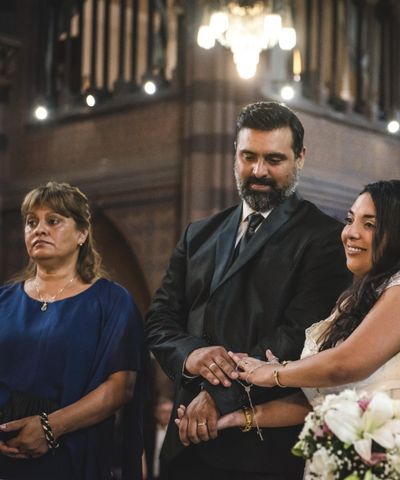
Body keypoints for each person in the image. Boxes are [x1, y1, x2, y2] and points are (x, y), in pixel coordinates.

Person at [144, 101, 350, 479]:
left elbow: (297, 335)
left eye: (274, 159)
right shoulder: (199, 234)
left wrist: (218, 396)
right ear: (234, 155)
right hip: (183, 441)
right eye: (248, 157)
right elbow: (159, 319)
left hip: (261, 450)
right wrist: (191, 355)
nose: (258, 171)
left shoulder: (323, 238)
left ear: (300, 158)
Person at [218, 180, 400, 480]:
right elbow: (326, 399)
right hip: (355, 459)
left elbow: (344, 365)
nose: (351, 232)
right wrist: (244, 417)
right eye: (350, 219)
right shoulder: (352, 304)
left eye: (370, 224)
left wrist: (274, 373)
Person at [0, 181, 147, 479]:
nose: (39, 229)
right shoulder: (3, 300)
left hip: (73, 451)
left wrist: (49, 428)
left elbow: (121, 387)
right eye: (32, 222)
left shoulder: (110, 300)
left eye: (53, 220)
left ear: (82, 233)